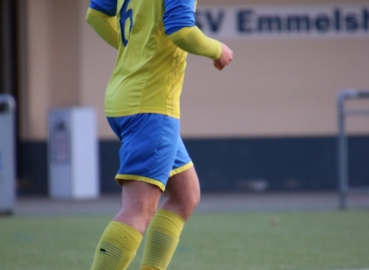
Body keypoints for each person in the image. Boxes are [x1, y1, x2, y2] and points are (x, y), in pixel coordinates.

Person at [86, 0, 233, 269]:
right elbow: (181, 30)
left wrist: (135, 51)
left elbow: (95, 15)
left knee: (185, 195)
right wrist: (216, 50)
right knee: (138, 209)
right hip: (151, 107)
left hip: (126, 100)